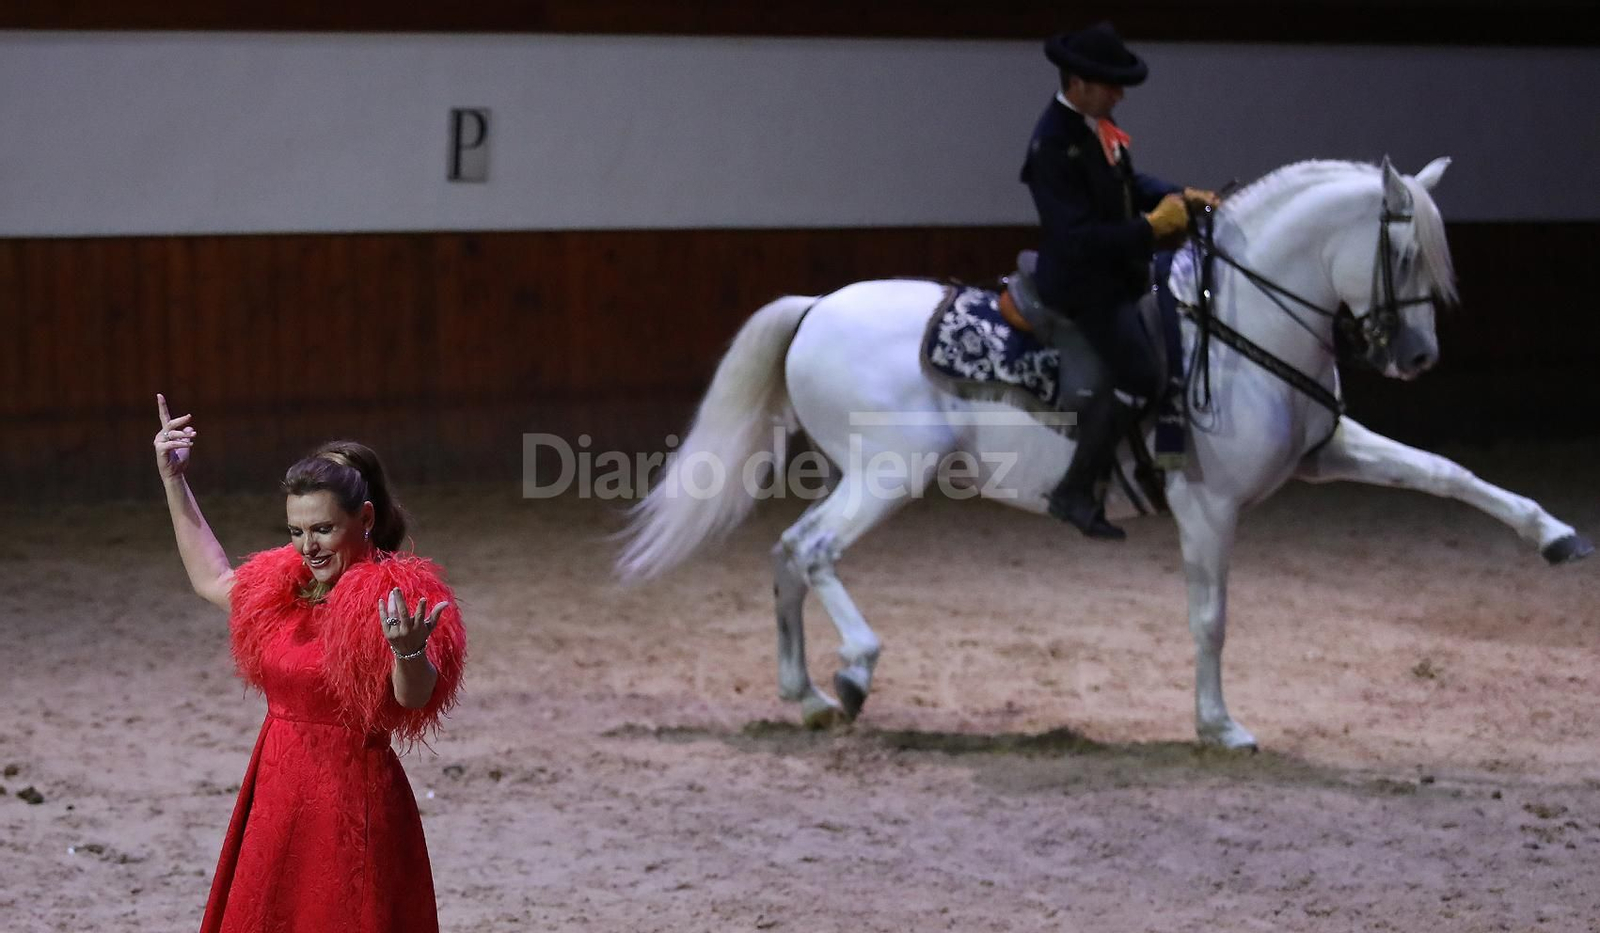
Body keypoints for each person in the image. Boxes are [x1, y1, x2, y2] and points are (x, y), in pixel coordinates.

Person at [153, 393, 466, 932]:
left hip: (350, 800)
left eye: (322, 529)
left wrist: (409, 650)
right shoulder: (287, 584)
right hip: (277, 790)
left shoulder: (395, 596)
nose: (308, 548)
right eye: (296, 532)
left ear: (364, 518)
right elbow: (212, 578)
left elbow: (413, 697)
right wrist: (173, 481)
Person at [1021, 22, 1218, 539]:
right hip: (1083, 284)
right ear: (1078, 83)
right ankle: (1075, 489)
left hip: (1117, 270)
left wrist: (1181, 195)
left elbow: (1129, 183)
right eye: (1110, 84)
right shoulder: (1052, 145)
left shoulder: (1096, 129)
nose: (1119, 94)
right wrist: (1152, 228)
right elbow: (1076, 238)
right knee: (1137, 373)